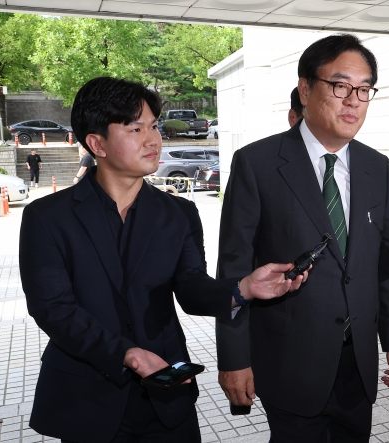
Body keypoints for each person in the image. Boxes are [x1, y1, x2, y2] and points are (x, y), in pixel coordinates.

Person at [19, 77, 308, 443]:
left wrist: (242, 288)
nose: (152, 139)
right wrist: (128, 354)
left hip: (166, 396)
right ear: (97, 143)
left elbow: (190, 287)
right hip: (87, 398)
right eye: (135, 128)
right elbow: (53, 309)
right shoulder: (47, 216)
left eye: (153, 126)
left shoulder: (179, 213)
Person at [216, 33, 389, 442]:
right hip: (290, 362)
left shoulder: (377, 167)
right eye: (340, 86)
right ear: (306, 88)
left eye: (364, 89)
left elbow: (387, 267)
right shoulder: (258, 164)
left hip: (356, 362)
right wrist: (234, 358)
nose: (353, 100)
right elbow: (233, 269)